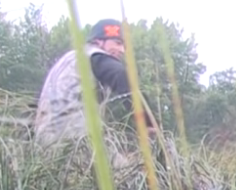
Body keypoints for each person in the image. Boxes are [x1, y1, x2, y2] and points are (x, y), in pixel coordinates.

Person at [34, 18, 158, 148]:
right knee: (126, 166)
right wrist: (148, 123)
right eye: (117, 43)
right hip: (76, 141)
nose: (122, 50)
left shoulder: (65, 61)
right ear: (98, 41)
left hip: (44, 144)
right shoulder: (94, 55)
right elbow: (123, 76)